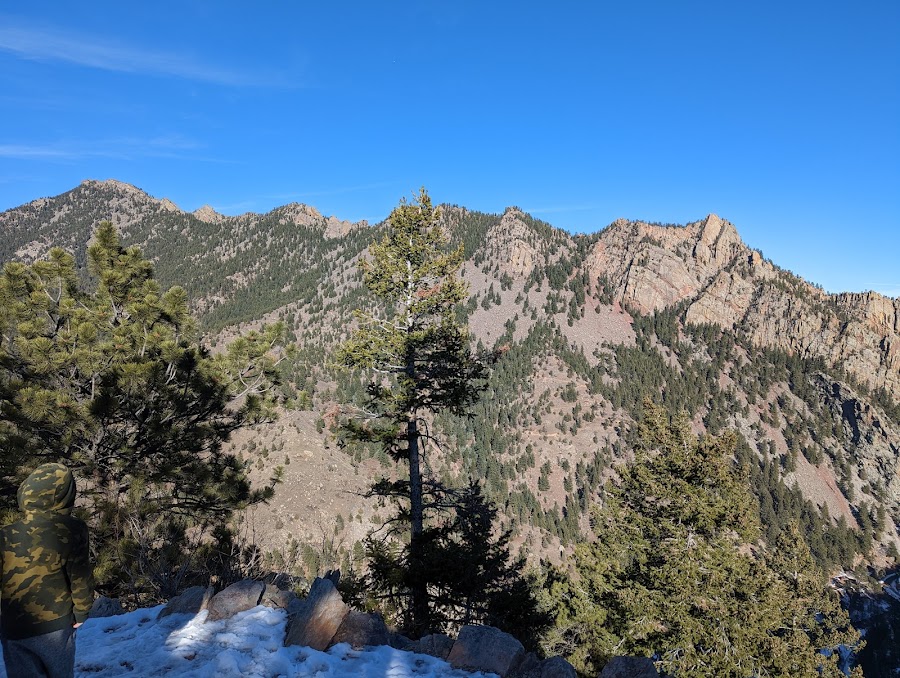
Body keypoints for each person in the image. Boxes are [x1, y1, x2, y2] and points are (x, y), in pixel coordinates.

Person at [0, 463, 94, 678]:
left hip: (13, 627)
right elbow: (79, 575)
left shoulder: (5, 534)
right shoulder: (73, 529)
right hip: (56, 626)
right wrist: (82, 611)